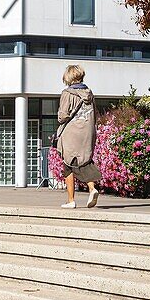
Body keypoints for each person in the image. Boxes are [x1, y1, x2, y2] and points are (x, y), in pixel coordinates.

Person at [55, 64, 99, 209]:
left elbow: (62, 116)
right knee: (85, 161)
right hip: (87, 132)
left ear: (68, 77)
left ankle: (71, 200)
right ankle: (92, 189)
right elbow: (95, 115)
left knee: (68, 164)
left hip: (71, 133)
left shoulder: (67, 93)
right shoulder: (89, 93)